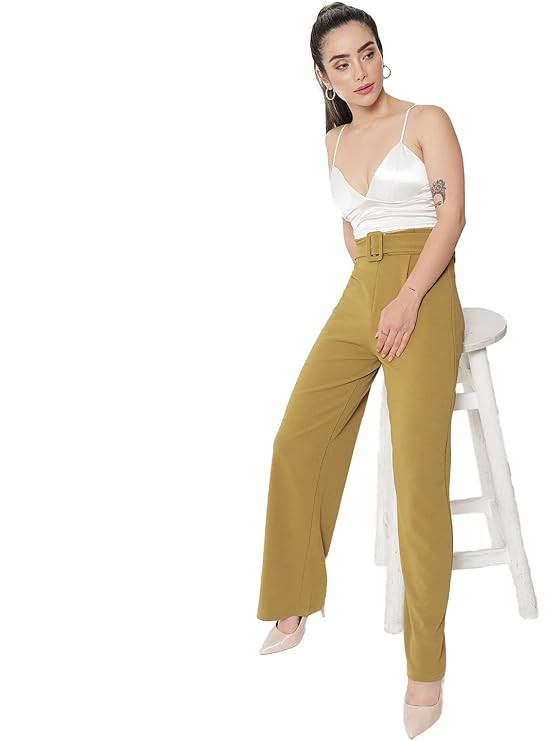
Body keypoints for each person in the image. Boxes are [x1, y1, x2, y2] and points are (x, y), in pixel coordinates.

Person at [256, 4, 465, 737]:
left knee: (417, 479)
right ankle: (294, 597)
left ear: (382, 53)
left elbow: (451, 220)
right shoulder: (334, 140)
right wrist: (373, 291)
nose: (360, 71)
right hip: (363, 287)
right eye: (341, 63)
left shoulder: (425, 120)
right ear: (323, 77)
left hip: (424, 284)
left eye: (367, 53)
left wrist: (407, 298)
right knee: (296, 438)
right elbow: (352, 230)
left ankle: (425, 668)